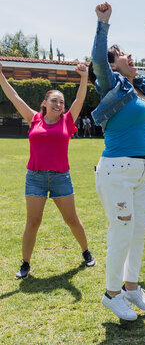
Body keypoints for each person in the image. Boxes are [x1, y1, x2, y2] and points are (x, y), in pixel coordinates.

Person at [89, 2, 145, 321]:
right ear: (113, 63)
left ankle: (131, 287)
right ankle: (112, 294)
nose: (129, 56)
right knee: (121, 232)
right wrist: (103, 24)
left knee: (137, 232)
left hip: (140, 171)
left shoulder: (141, 88)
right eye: (122, 53)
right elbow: (98, 60)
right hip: (115, 171)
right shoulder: (112, 85)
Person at [0, 61, 95, 279]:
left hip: (61, 177)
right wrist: (1, 77)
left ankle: (86, 252)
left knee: (71, 219)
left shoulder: (67, 121)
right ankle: (25, 264)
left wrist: (83, 77)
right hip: (35, 177)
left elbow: (80, 99)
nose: (59, 105)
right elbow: (15, 97)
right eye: (55, 100)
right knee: (33, 222)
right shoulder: (34, 119)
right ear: (45, 103)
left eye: (62, 102)